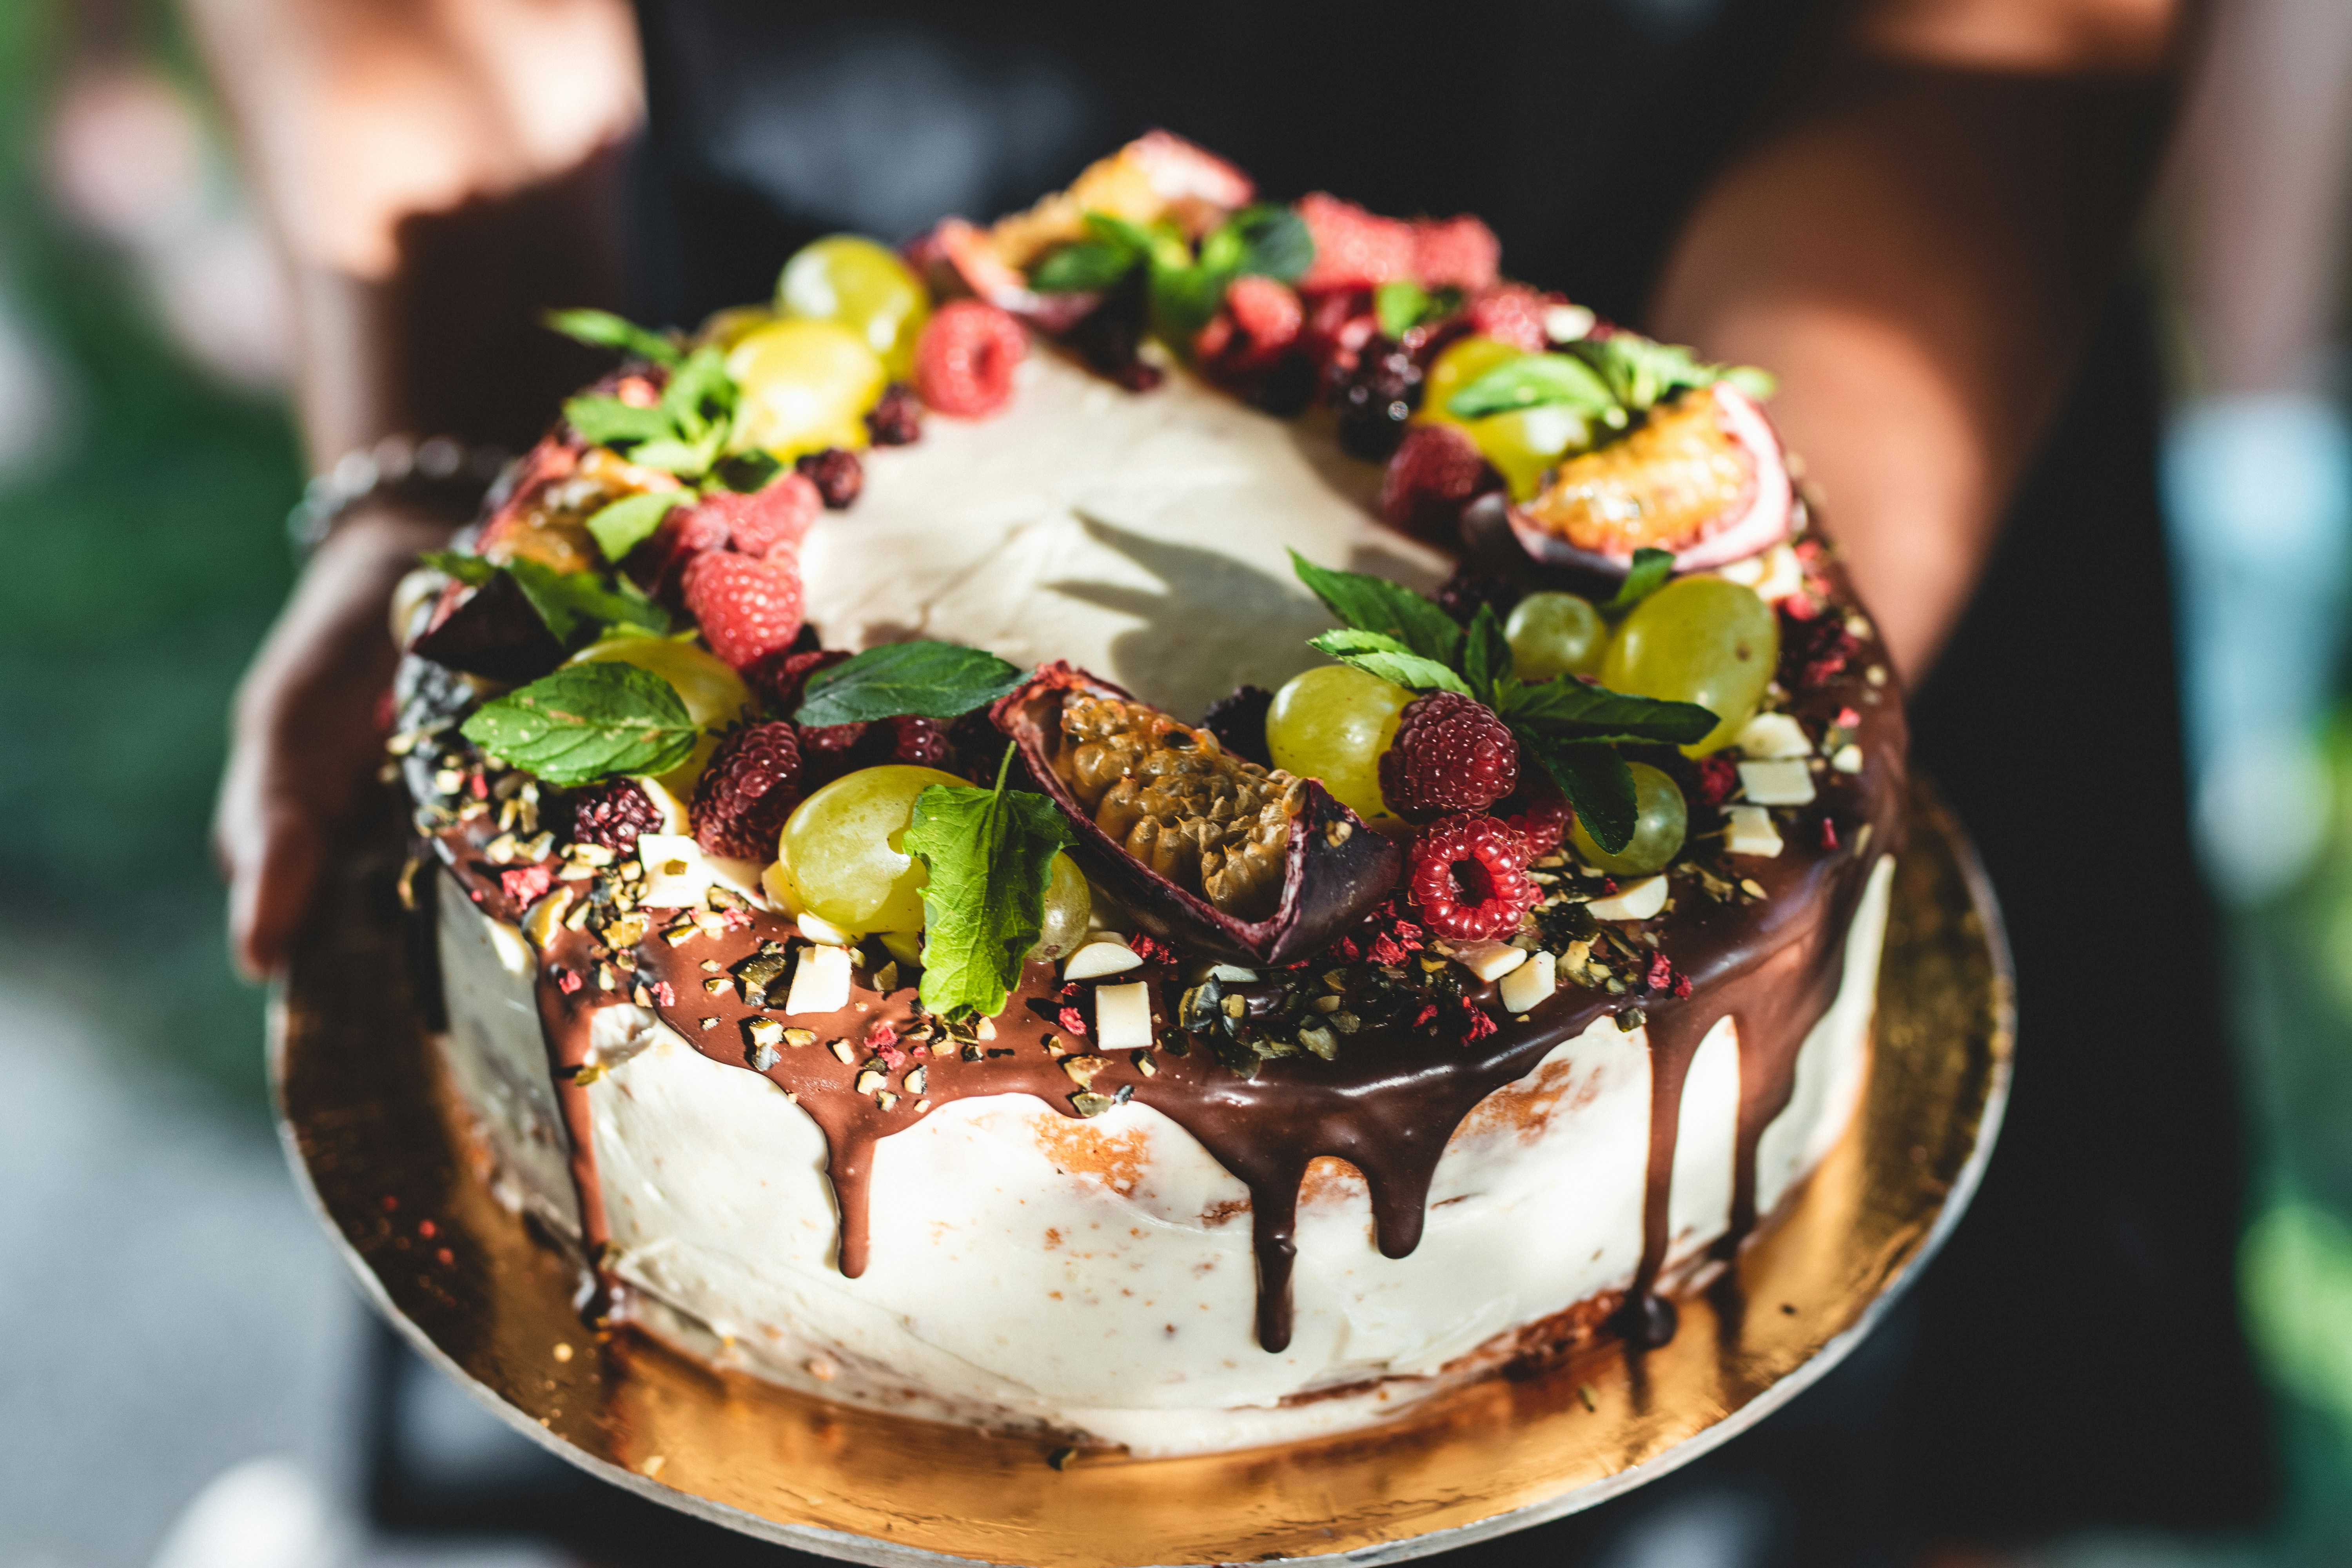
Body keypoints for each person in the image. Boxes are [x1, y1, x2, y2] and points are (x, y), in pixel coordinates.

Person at [195, 0, 2270, 1561]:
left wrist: (1768, 594)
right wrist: (439, 460)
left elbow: (2014, 36)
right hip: (770, 307)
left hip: (1821, 286)